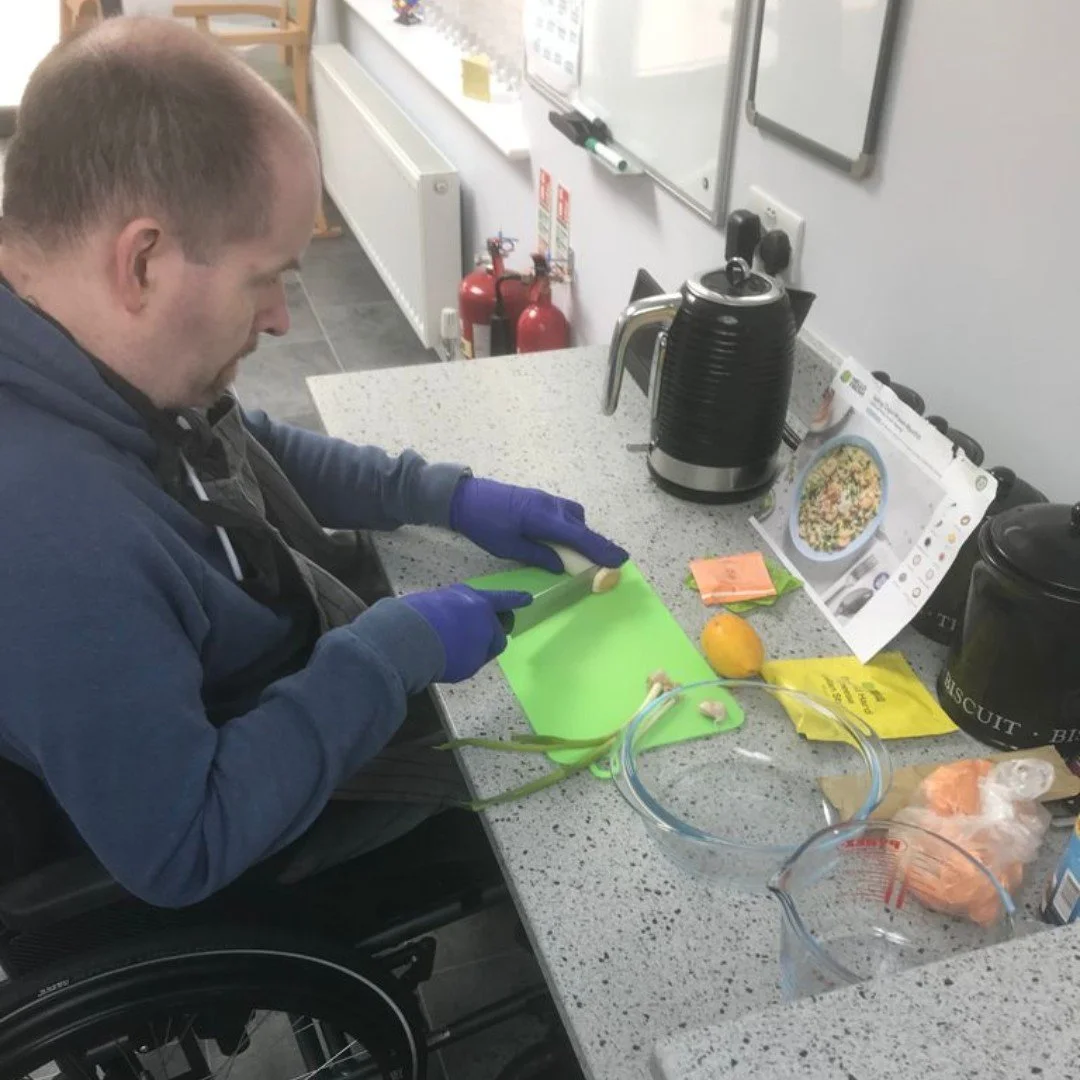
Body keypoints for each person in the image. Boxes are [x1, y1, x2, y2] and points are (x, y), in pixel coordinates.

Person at [0, 17, 627, 908]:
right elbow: (184, 847)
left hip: (277, 674)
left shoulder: (74, 346)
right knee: (575, 810)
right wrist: (384, 655)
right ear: (141, 262)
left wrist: (441, 494)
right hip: (247, 814)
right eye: (267, 278)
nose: (282, 319)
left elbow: (240, 443)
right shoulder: (50, 543)